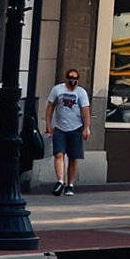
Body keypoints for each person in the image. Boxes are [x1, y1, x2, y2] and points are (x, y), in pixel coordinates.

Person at [46, 66, 90, 196]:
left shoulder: (81, 93)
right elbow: (50, 106)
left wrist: (86, 127)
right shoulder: (57, 90)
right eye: (71, 78)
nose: (73, 81)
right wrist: (48, 124)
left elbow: (85, 110)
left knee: (73, 157)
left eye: (75, 78)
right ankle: (60, 180)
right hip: (60, 127)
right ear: (66, 78)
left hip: (76, 128)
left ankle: (70, 184)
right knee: (59, 154)